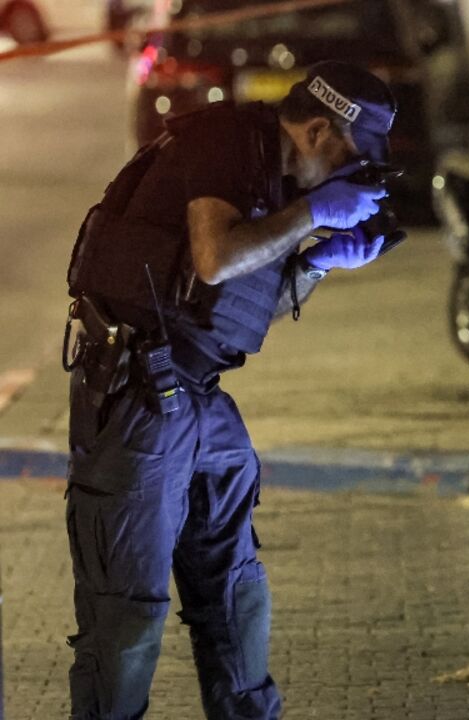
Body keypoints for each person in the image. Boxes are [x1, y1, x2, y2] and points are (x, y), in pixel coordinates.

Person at [61, 61, 395, 720]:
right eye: (354, 161)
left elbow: (236, 305)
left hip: (194, 396)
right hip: (137, 399)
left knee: (235, 597)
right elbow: (215, 259)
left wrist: (320, 261)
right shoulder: (223, 143)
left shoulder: (270, 179)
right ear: (320, 131)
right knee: (127, 619)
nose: (352, 177)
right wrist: (312, 213)